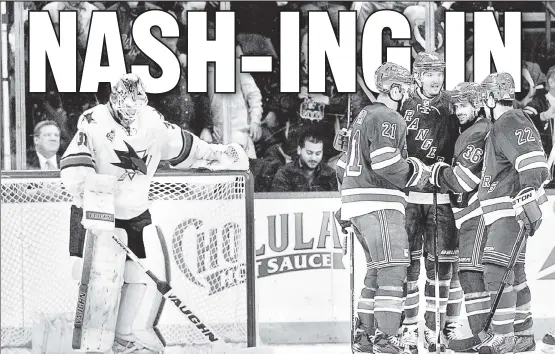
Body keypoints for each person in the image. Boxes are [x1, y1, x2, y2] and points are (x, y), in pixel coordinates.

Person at [59, 73, 248, 354]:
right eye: (125, 109)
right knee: (100, 280)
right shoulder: (93, 120)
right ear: (113, 101)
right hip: (97, 211)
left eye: (135, 109)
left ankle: (124, 337)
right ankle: (94, 345)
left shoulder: (151, 121)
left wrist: (216, 154)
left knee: (138, 277)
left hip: (135, 212)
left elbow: (184, 145)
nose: (130, 115)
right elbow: (76, 168)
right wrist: (95, 205)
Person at [336, 62, 431, 353]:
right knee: (393, 269)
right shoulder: (389, 117)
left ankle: (364, 337)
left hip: (358, 205)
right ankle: (387, 338)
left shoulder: (362, 117)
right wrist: (418, 172)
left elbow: (341, 168)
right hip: (380, 205)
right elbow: (385, 162)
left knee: (376, 271)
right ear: (395, 88)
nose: (410, 92)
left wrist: (349, 202)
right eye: (406, 87)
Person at [476, 72, 550, 354]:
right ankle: (523, 334)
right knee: (515, 275)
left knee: (495, 270)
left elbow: (535, 164)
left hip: (509, 210)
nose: (484, 104)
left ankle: (504, 336)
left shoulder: (510, 120)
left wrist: (525, 200)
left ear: (493, 98)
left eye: (486, 98)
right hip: (505, 209)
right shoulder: (506, 122)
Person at [399, 52, 460, 353]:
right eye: (429, 73)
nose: (436, 78)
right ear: (417, 75)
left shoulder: (450, 105)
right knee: (408, 268)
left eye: (439, 72)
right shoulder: (403, 104)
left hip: (441, 200)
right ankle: (409, 330)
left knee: (441, 270)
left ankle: (434, 331)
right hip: (409, 200)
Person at [427, 83, 493, 351]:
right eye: (455, 106)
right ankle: (488, 337)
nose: (457, 111)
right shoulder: (472, 130)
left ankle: (483, 339)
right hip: (473, 216)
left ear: (477, 105)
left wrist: (433, 173)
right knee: (476, 276)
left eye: (463, 105)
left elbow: (463, 181)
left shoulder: (477, 132)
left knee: (470, 275)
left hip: (478, 215)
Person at [271, 126, 337, 192]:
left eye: (318, 153)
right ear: (299, 150)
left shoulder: (331, 175)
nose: (314, 158)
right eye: (309, 153)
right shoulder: (284, 174)